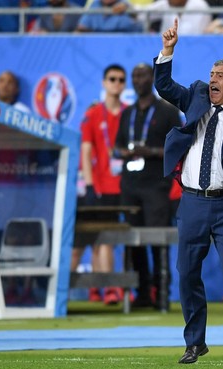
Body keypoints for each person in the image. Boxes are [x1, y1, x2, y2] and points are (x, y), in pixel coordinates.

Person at [154, 19, 223, 365]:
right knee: (186, 274)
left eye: (220, 74)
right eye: (212, 73)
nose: (212, 78)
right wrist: (168, 50)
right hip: (191, 202)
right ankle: (194, 343)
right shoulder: (198, 96)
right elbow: (165, 87)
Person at [114, 63, 182, 310]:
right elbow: (117, 146)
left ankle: (162, 294)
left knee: (157, 240)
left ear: (152, 78)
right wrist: (126, 152)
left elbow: (178, 146)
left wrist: (150, 151)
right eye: (134, 75)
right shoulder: (127, 113)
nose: (137, 79)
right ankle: (141, 293)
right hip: (130, 185)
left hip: (156, 186)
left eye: (141, 75)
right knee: (134, 241)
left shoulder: (167, 111)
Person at [72, 63, 127, 305]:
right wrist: (91, 185)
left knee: (106, 237)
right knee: (88, 238)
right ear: (104, 83)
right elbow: (85, 152)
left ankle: (106, 287)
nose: (116, 83)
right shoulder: (93, 114)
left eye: (120, 80)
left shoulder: (129, 112)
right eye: (112, 79)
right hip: (97, 186)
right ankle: (101, 287)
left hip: (121, 185)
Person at [135, 0, 211, 34]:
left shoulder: (200, 6)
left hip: (192, 46)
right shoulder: (166, 3)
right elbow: (142, 14)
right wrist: (126, 6)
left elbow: (201, 33)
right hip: (167, 47)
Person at [76, 0, 143, 32]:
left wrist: (130, 9)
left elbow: (139, 28)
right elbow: (81, 27)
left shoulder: (126, 6)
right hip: (98, 46)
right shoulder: (95, 4)